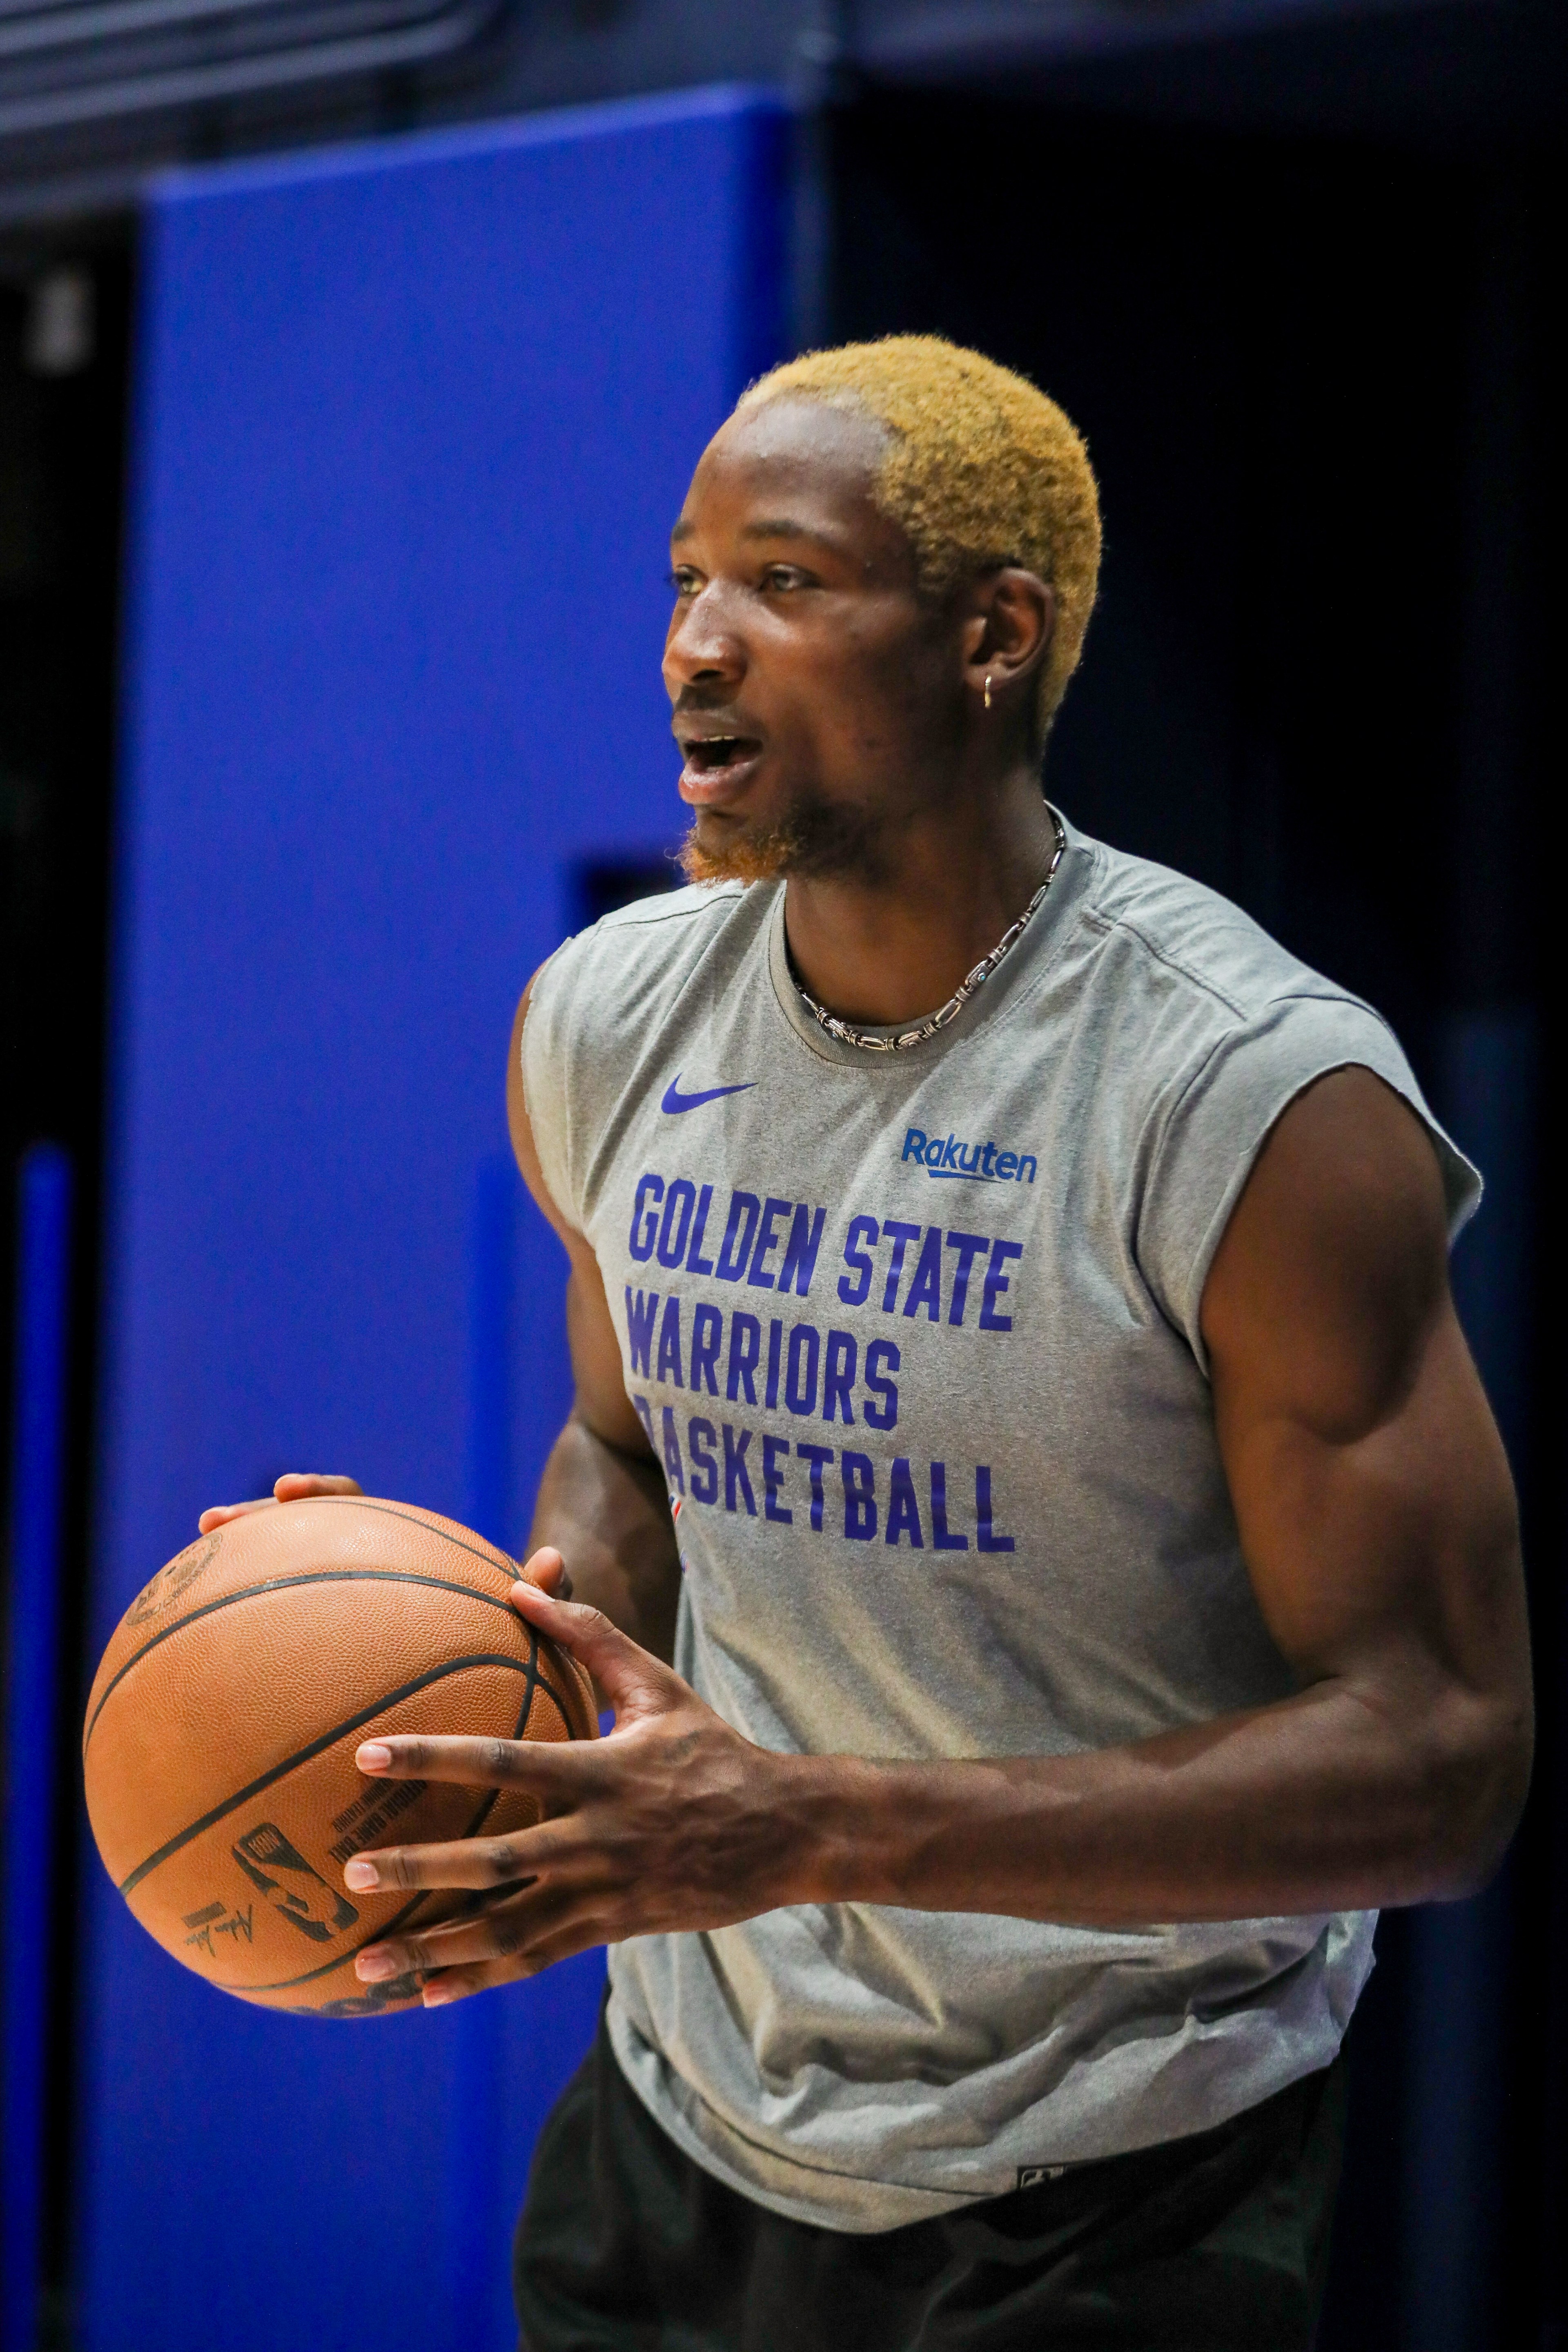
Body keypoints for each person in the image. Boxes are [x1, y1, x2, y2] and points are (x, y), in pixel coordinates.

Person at [202, 336, 1533, 2350]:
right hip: (680, 2134)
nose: (696, 646)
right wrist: (449, 1629)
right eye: (684, 582)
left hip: (1106, 2182)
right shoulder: (611, 1017)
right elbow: (622, 1452)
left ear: (993, 637)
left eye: (787, 584)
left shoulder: (1247, 1101)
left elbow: (1441, 1762)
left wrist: (811, 1822)